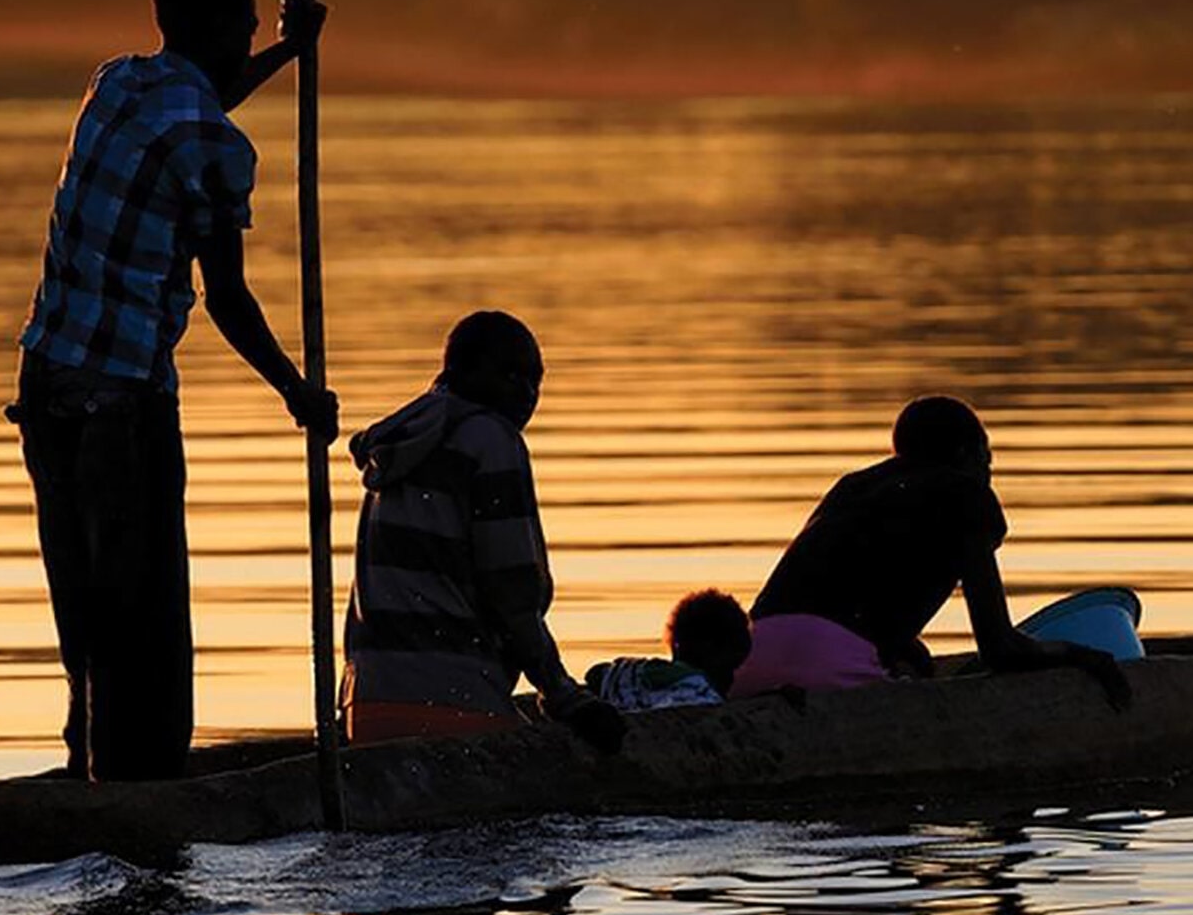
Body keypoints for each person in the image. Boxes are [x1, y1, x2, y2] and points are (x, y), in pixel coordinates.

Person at [12, 0, 339, 781]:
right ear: (216, 29)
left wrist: (288, 52)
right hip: (120, 403)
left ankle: (90, 766)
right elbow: (227, 296)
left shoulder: (119, 83)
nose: (251, 43)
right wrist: (297, 392)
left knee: (88, 609)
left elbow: (199, 104)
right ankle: (136, 791)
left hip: (46, 383)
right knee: (143, 618)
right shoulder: (211, 142)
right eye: (248, 32)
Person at [341, 311, 625, 752]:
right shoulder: (490, 439)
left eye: (535, 381)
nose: (527, 394)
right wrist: (565, 696)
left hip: (366, 708)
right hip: (454, 703)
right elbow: (511, 595)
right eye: (510, 375)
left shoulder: (398, 447)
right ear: (461, 372)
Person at [731, 396, 1131, 708]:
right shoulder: (966, 494)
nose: (988, 474)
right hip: (825, 662)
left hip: (745, 657)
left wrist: (901, 643)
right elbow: (999, 649)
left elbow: (836, 588)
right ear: (965, 455)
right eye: (987, 459)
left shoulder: (852, 487)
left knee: (908, 665)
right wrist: (1083, 657)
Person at [585, 588, 753, 712]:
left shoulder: (633, 670)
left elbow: (595, 674)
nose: (732, 679)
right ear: (711, 650)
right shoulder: (701, 692)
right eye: (731, 667)